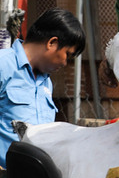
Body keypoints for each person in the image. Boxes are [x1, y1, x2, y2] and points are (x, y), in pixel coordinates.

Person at [0, 9, 85, 165]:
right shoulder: (4, 65)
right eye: (68, 54)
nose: (65, 63)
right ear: (52, 43)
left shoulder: (46, 83)